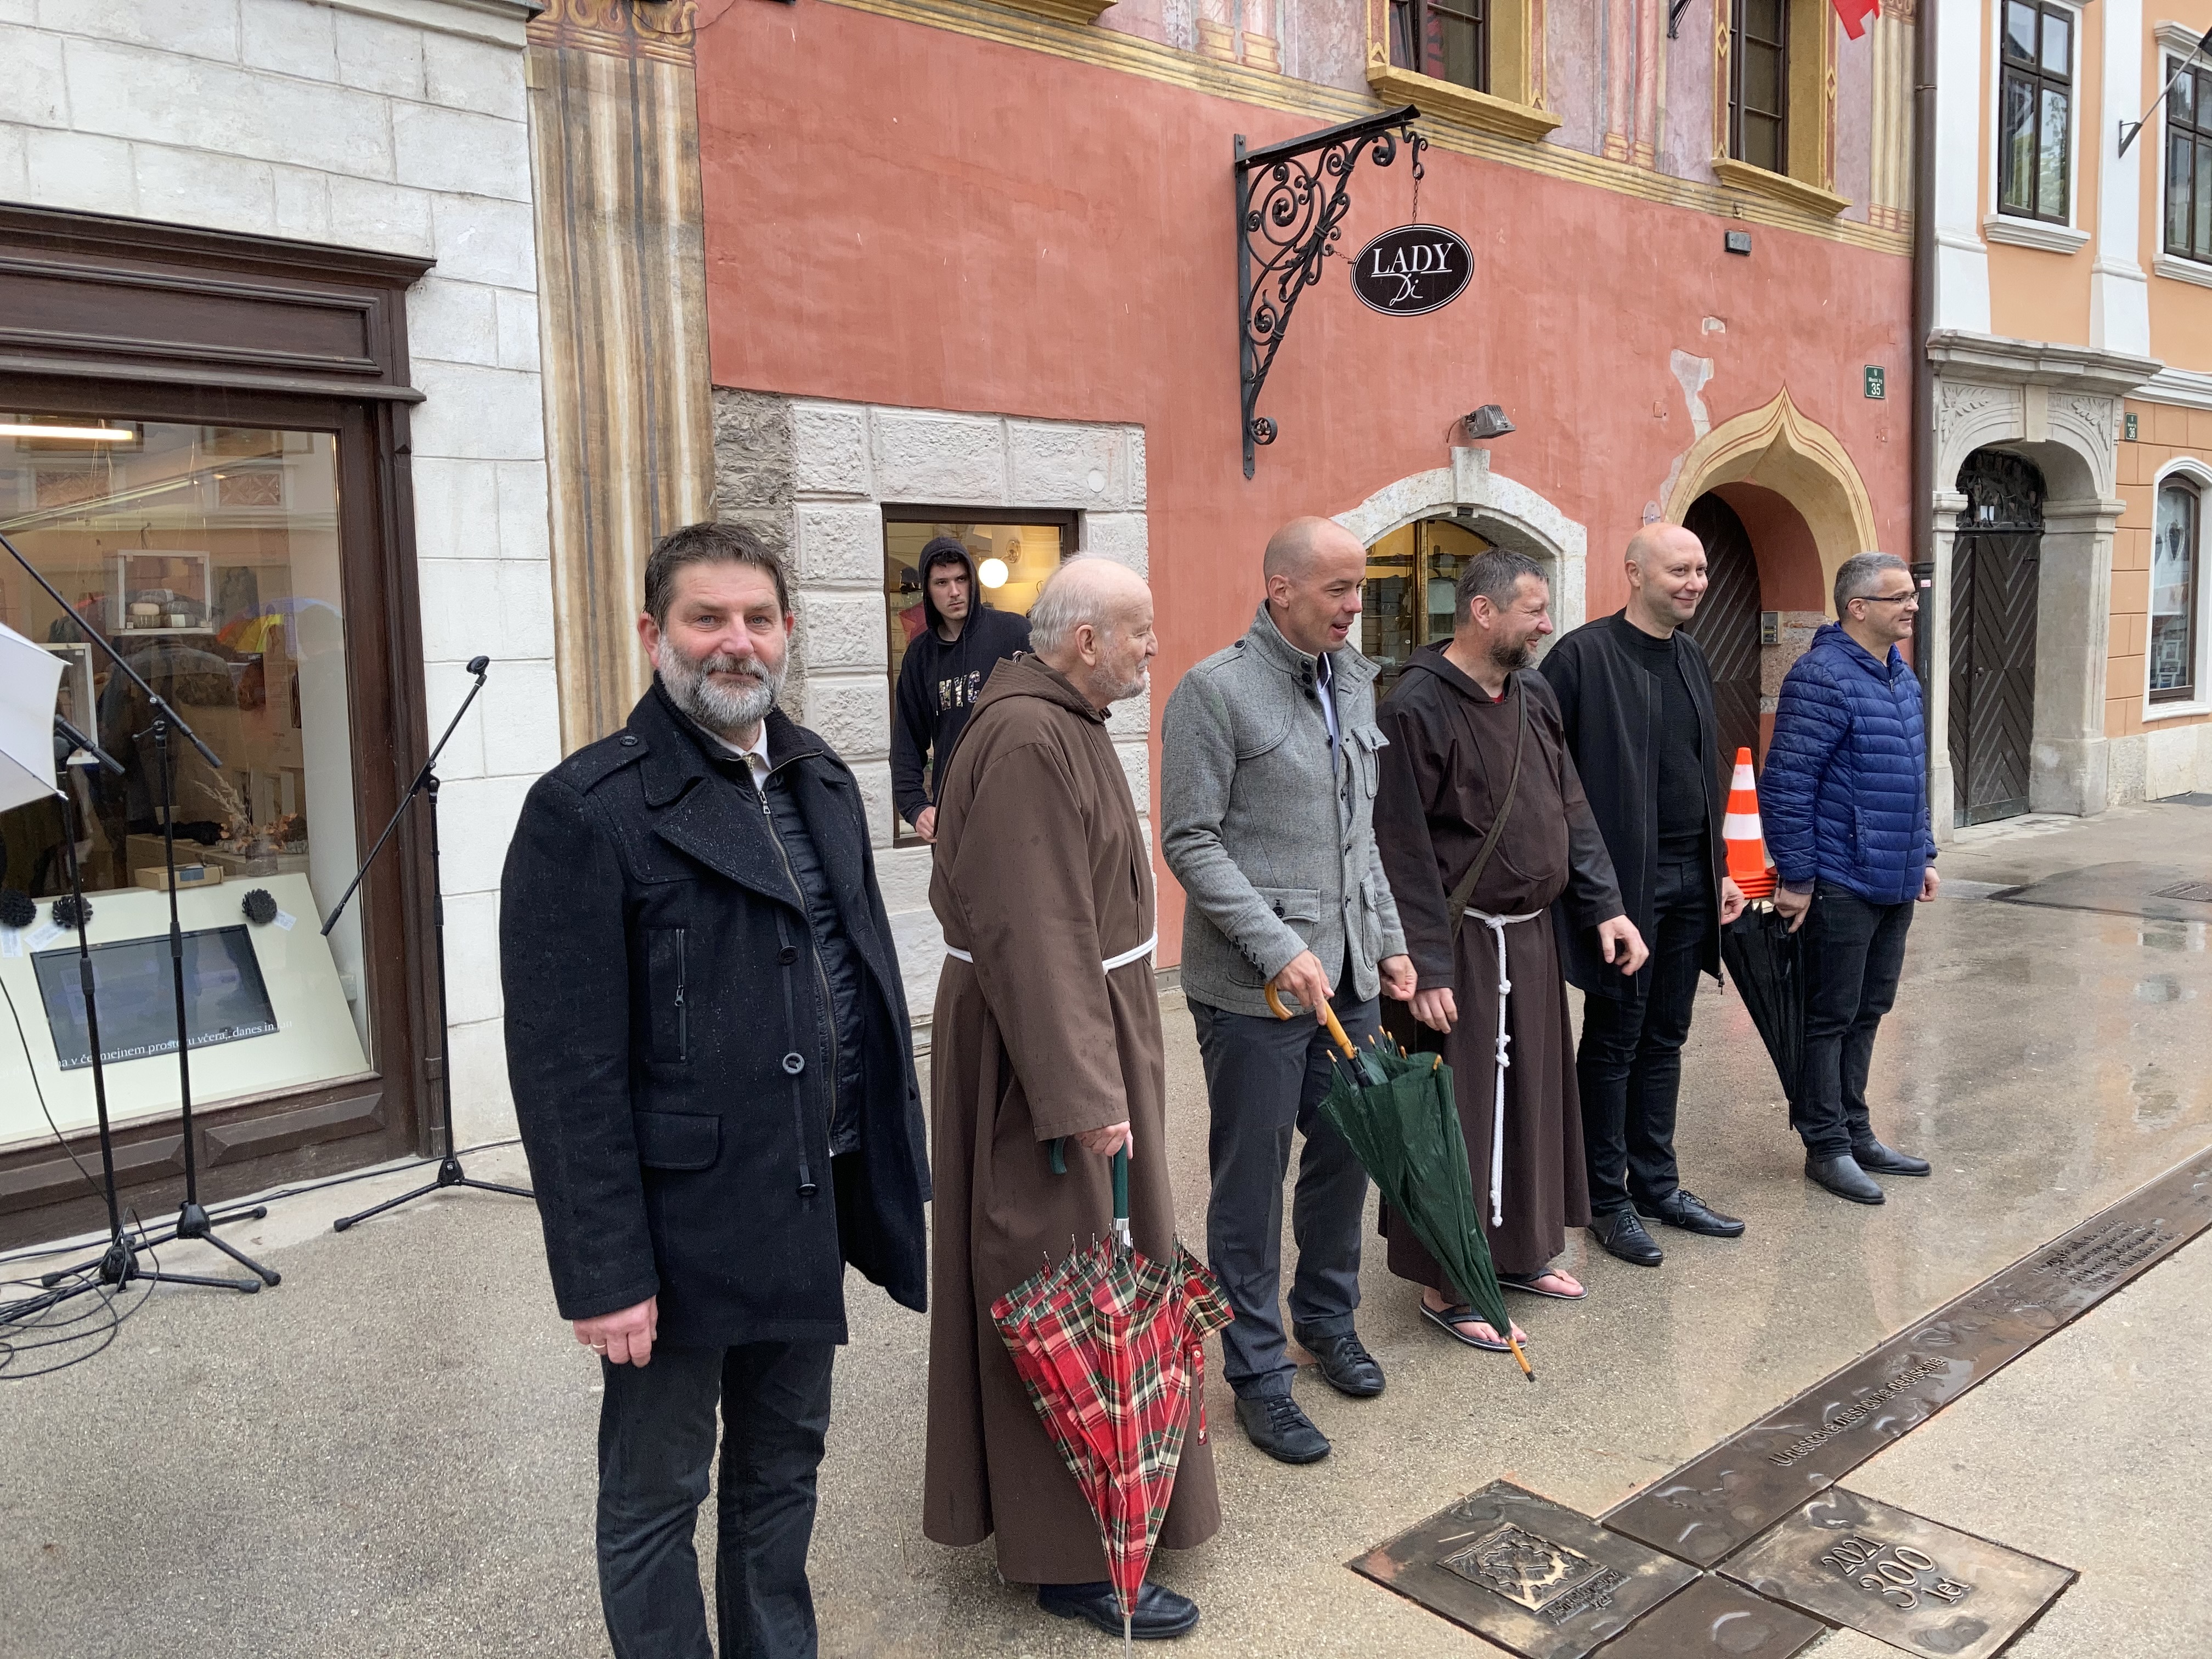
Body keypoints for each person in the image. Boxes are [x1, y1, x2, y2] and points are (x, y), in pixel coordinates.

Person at [500, 522, 931, 1659]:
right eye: (707, 618)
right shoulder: (587, 808)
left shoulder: (820, 777)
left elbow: (859, 982)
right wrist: (604, 1273)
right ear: (655, 633)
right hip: (677, 1222)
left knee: (783, 1469)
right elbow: (565, 1072)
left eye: (757, 618)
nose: (736, 642)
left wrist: (889, 1169)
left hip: (808, 1192)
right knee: (659, 1493)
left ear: (787, 631)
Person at [922, 556, 1215, 1641]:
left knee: (1106, 1272)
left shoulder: (1060, 718)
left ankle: (1122, 1499)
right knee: (1062, 1273)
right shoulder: (1029, 737)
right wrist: (1084, 1091)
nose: (1153, 646)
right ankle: (1069, 1551)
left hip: (1089, 1024)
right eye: (1139, 630)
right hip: (1048, 1049)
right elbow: (1034, 932)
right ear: (1086, 640)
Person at [1161, 515, 1417, 1466]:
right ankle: (1259, 1369)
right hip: (1252, 990)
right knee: (1251, 1180)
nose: (1356, 604)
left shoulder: (1353, 679)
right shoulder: (1213, 691)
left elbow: (1361, 832)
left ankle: (1326, 1318)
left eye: (1361, 587)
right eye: (1338, 588)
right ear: (1280, 589)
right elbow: (1189, 840)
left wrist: (1389, 943)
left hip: (1349, 974)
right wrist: (1276, 949)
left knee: (1349, 1149)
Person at [1373, 549, 1647, 1353]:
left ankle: (1521, 1253)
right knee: (1457, 1117)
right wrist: (1425, 965)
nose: (1547, 624)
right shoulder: (1414, 707)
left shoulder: (1533, 693)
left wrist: (1607, 907)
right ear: (1483, 611)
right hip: (1458, 946)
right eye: (1533, 610)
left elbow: (1571, 806)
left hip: (1529, 940)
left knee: (1530, 1103)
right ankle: (1449, 1282)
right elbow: (1399, 847)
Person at [1538, 524, 1749, 1269]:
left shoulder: (1692, 655)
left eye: (1701, 570)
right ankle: (1606, 1199)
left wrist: (1719, 868)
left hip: (1691, 878)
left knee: (1666, 1037)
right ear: (1633, 573)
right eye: (1678, 571)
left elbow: (1699, 770)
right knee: (1615, 1040)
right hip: (1624, 886)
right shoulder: (1582, 658)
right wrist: (1591, 895)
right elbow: (1550, 778)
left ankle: (1657, 1186)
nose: (1695, 583)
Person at [1761, 550, 1938, 1204]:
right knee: (1828, 1016)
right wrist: (1798, 878)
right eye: (1900, 597)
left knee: (1869, 1009)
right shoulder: (1821, 677)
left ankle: (1857, 1131)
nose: (1912, 606)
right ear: (1858, 608)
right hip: (1841, 878)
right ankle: (1826, 1145)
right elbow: (1787, 785)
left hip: (1895, 873)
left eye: (1912, 595)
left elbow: (1910, 775)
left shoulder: (1899, 674)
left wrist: (1924, 854)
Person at [890, 535, 1032, 843]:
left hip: (1021, 808)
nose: (954, 592)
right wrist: (915, 807)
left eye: (961, 579)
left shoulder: (1015, 634)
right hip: (955, 816)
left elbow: (1058, 706)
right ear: (928, 590)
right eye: (942, 583)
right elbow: (906, 742)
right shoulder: (920, 657)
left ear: (972, 581)